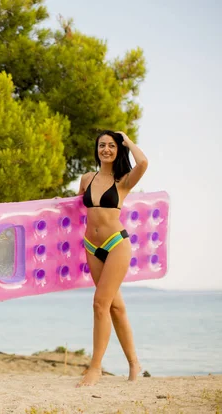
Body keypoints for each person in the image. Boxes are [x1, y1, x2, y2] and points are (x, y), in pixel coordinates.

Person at [76, 130, 148, 387]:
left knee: (99, 303)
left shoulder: (124, 180)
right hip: (91, 246)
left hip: (116, 244)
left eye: (111, 145)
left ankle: (95, 368)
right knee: (114, 307)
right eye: (102, 145)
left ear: (118, 150)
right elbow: (76, 206)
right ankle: (134, 363)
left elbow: (143, 163)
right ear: (96, 149)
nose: (106, 149)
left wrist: (126, 139)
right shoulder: (86, 178)